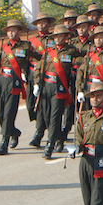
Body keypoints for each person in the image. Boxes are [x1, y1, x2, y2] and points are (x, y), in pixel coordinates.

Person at [0, 19, 40, 155]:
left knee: (9, 113)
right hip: (2, 81)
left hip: (15, 83)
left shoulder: (26, 47)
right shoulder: (3, 48)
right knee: (1, 114)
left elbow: (40, 59)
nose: (11, 33)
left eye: (14, 30)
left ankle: (4, 143)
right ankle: (14, 132)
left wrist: (31, 75)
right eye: (9, 30)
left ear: (19, 31)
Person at [32, 25, 81, 159]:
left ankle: (50, 145)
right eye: (56, 36)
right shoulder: (48, 52)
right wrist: (36, 83)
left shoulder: (71, 51)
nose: (58, 38)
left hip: (60, 87)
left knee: (55, 116)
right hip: (46, 85)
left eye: (61, 36)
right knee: (47, 116)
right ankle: (58, 137)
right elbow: (39, 68)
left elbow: (85, 59)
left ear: (66, 37)